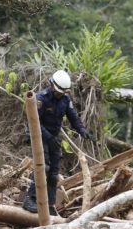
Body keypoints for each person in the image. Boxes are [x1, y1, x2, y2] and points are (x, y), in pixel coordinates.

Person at [23, 69, 91, 216]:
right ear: (52, 84)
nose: (60, 94)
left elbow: (73, 118)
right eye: (59, 91)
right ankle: (30, 199)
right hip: (40, 137)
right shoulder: (41, 98)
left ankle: (50, 204)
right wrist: (49, 138)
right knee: (43, 167)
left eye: (63, 92)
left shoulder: (65, 100)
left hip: (54, 137)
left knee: (54, 173)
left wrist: (82, 131)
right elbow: (34, 123)